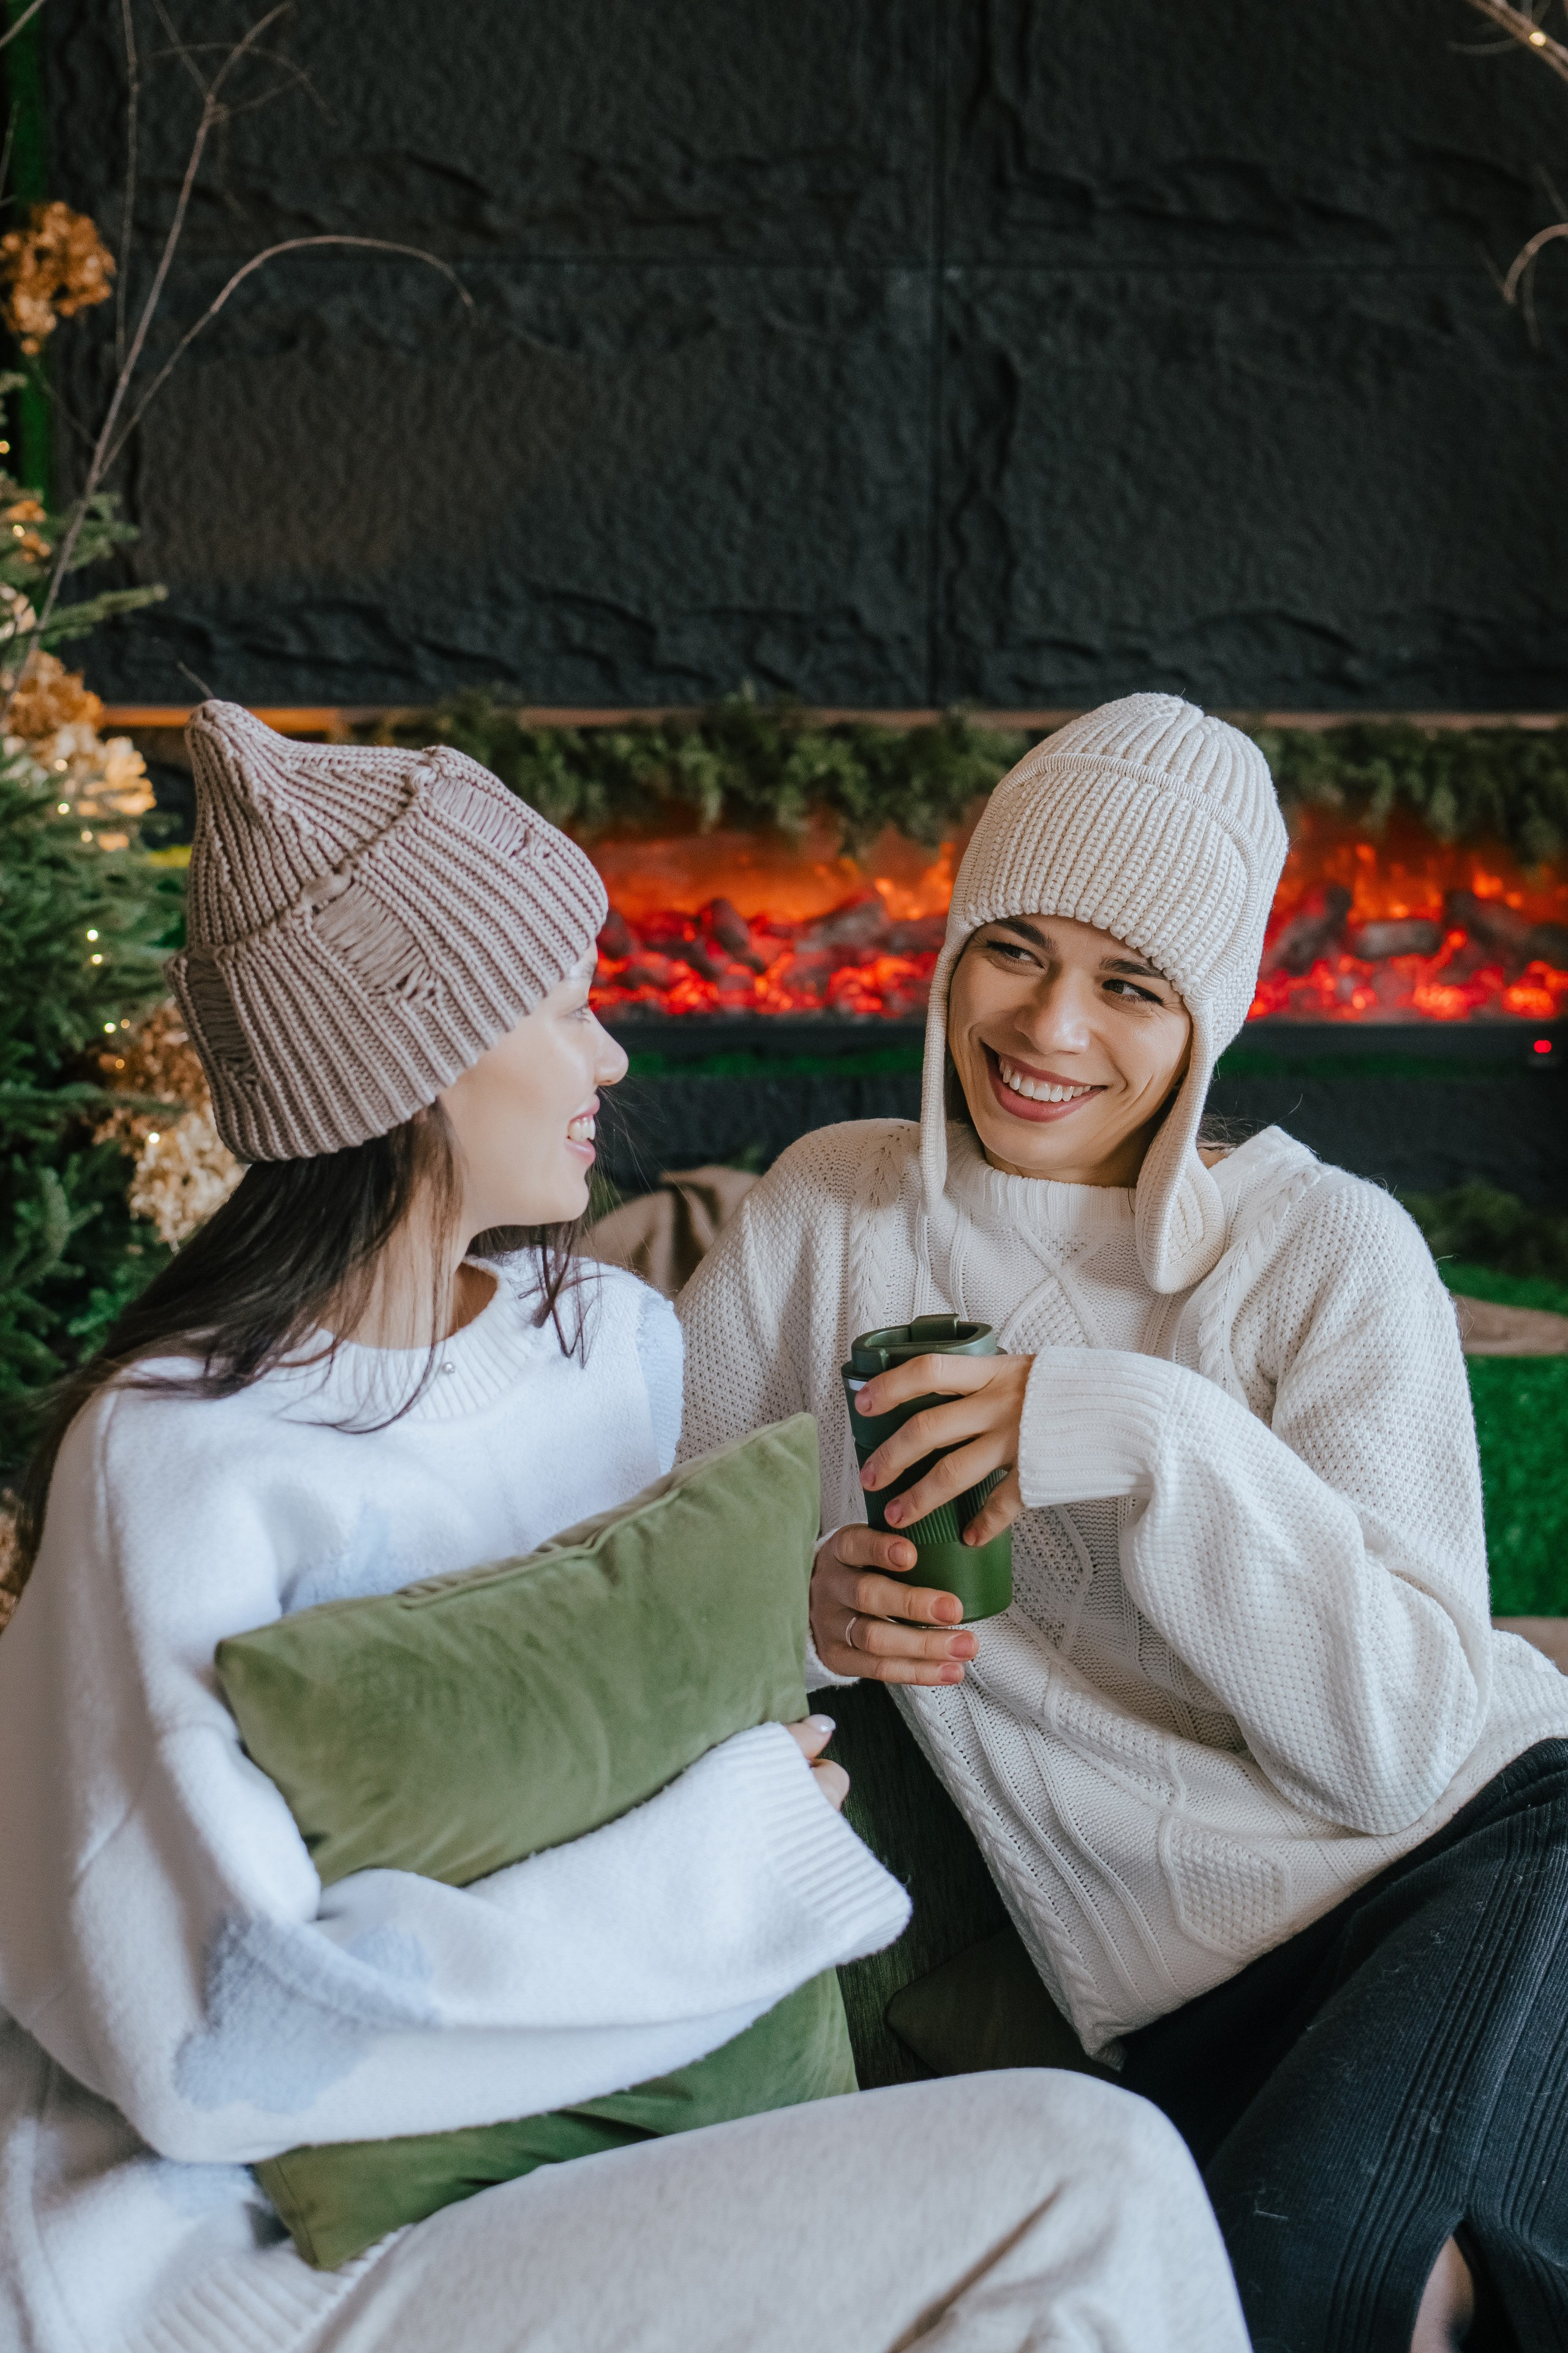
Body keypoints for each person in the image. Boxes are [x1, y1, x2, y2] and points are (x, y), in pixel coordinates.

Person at [0, 704, 1246, 2353]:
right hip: (271, 2255)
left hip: (625, 2162)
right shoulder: (174, 1460)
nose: (611, 1060)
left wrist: (802, 1620)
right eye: (563, 1005)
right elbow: (215, 2037)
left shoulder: (606, 1343)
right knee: (1090, 2177)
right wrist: (737, 1859)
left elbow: (627, 1675)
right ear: (414, 1060)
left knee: (1090, 2208)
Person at [678, 692, 1568, 2353]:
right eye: (1014, 950)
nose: (1051, 1026)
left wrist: (1144, 1430)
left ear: (1206, 1019)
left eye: (1131, 985)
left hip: (1484, 1854)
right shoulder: (829, 1213)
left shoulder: (1327, 1250)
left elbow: (1397, 1754)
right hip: (1173, 1995)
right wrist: (801, 1612)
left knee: (1351, 2290)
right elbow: (650, 1568)